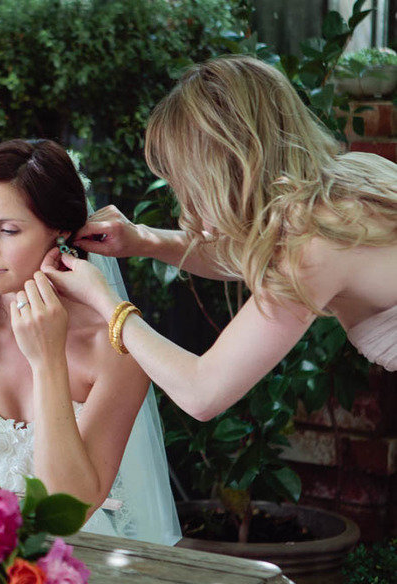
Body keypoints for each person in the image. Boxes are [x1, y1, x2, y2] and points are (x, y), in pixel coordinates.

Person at [43, 55, 397, 423]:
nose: (186, 200)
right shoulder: (353, 176)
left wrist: (104, 300)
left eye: (186, 181)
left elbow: (202, 393)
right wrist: (142, 240)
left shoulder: (315, 244)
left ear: (226, 168)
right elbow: (247, 255)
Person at [0, 139, 181, 545]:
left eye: (7, 230)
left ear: (60, 232)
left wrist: (47, 361)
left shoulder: (117, 346)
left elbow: (71, 508)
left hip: (73, 560)